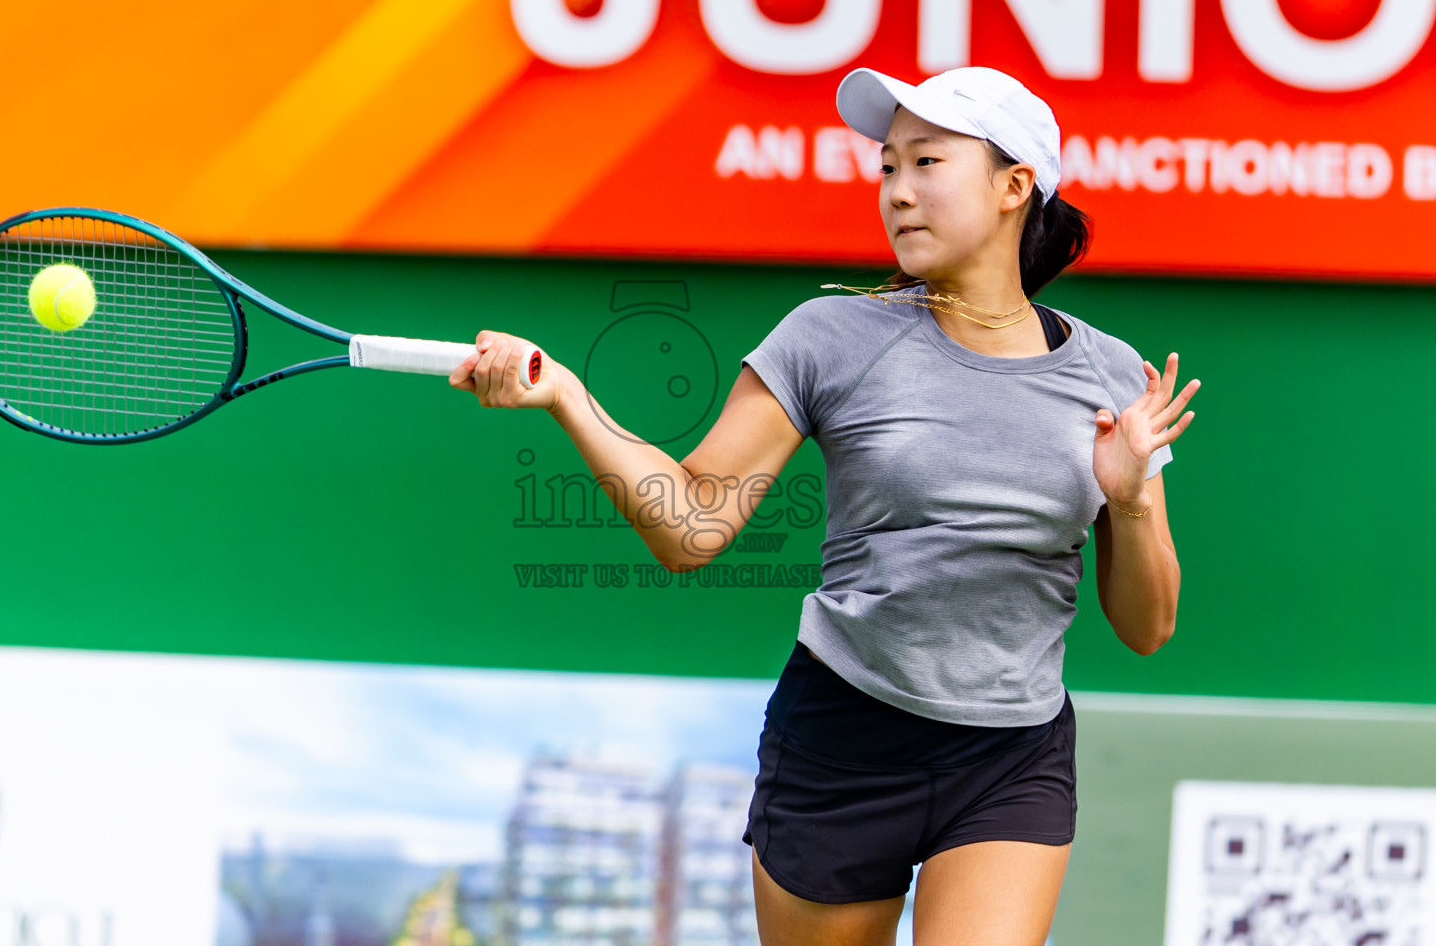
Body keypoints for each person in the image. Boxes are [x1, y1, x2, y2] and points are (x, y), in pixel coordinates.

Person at [450, 64, 1199, 946]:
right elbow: (692, 526)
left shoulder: (1111, 374)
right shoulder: (830, 338)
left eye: (928, 163)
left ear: (1014, 185)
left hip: (1013, 753)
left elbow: (1147, 626)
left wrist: (1130, 499)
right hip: (845, 738)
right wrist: (570, 398)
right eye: (888, 168)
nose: (897, 192)